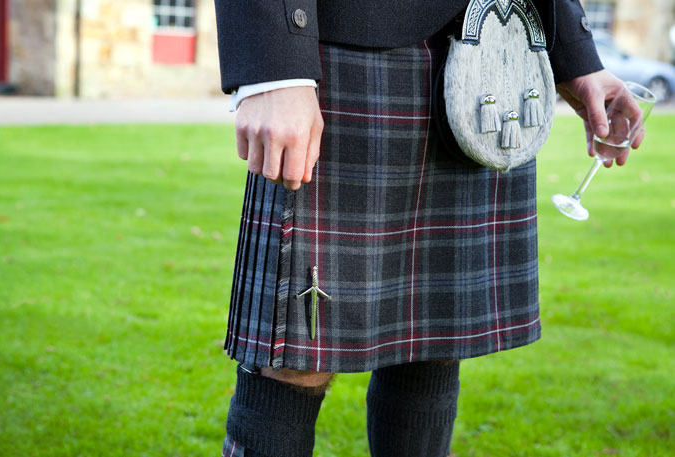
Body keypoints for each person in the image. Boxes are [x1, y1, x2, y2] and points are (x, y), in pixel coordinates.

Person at [213, 1, 645, 456]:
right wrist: (274, 69)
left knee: (436, 339)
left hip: (493, 61)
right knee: (297, 356)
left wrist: (577, 58)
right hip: (338, 51)